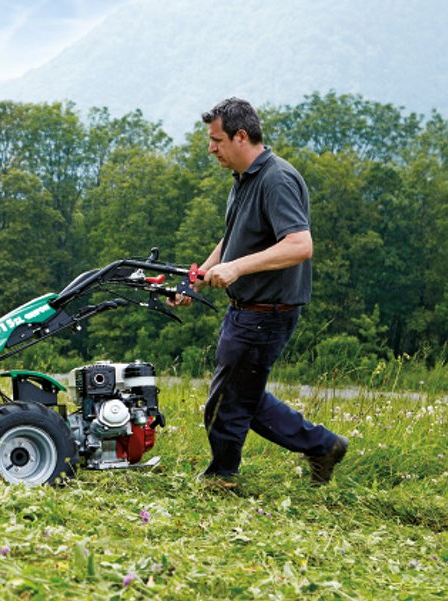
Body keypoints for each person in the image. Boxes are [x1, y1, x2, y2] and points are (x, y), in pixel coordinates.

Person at [172, 97, 348, 486]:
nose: (211, 148)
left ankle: (223, 475)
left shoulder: (276, 179)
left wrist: (236, 268)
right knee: (241, 395)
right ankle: (322, 445)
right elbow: (234, 237)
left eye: (216, 140)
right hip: (247, 310)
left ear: (241, 135)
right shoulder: (244, 180)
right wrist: (198, 277)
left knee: (226, 401)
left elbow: (299, 245)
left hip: (267, 312)